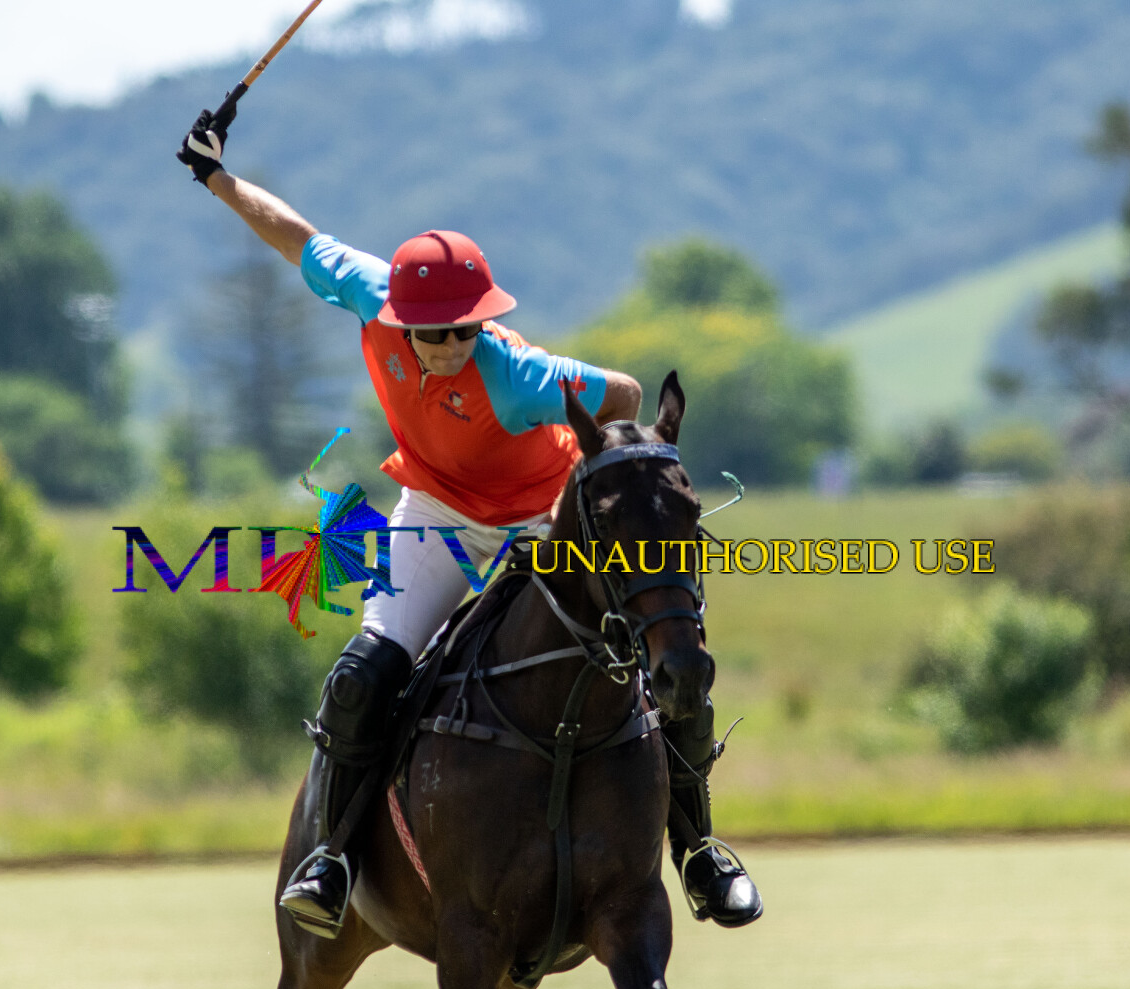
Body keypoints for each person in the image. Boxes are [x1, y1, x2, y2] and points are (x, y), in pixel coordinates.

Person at [177, 110, 762, 936]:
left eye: (468, 325)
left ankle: (699, 852)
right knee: (361, 676)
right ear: (401, 319)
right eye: (437, 331)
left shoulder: (516, 373)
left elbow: (627, 394)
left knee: (661, 667)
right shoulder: (372, 295)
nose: (453, 342)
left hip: (537, 523)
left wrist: (599, 488)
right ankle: (333, 859)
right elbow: (296, 237)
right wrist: (215, 176)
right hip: (436, 511)